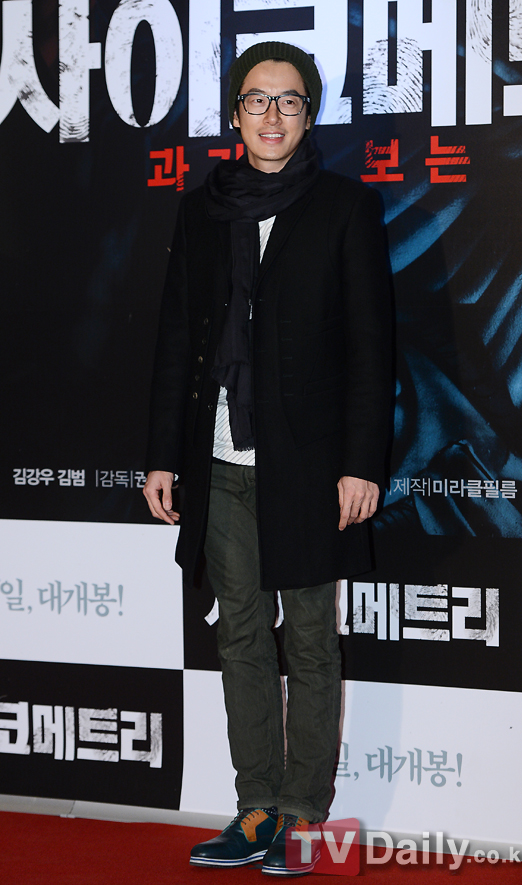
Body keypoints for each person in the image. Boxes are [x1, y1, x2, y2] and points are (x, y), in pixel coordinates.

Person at [143, 41, 392, 876]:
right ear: (235, 113)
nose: (272, 115)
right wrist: (163, 456)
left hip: (311, 467)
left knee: (312, 641)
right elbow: (176, 339)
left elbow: (371, 348)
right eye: (257, 100)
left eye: (290, 100)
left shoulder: (345, 207)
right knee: (242, 635)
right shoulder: (202, 210)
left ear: (309, 114)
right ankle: (255, 808)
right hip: (217, 463)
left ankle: (303, 815)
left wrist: (361, 462)